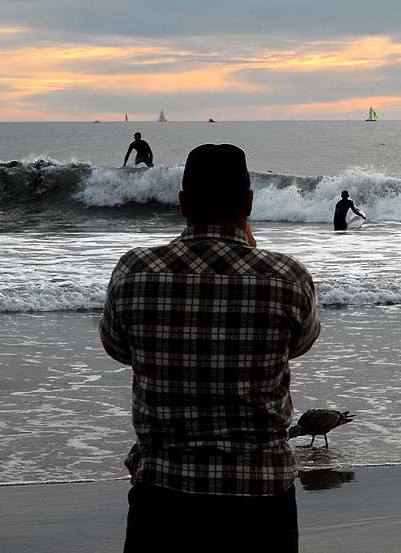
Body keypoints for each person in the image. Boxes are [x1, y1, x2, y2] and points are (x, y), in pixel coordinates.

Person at [100, 144, 321, 553]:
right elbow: (301, 344)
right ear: (250, 203)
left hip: (163, 491)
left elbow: (117, 347)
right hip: (261, 496)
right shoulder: (287, 277)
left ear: (182, 203)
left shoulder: (135, 270)